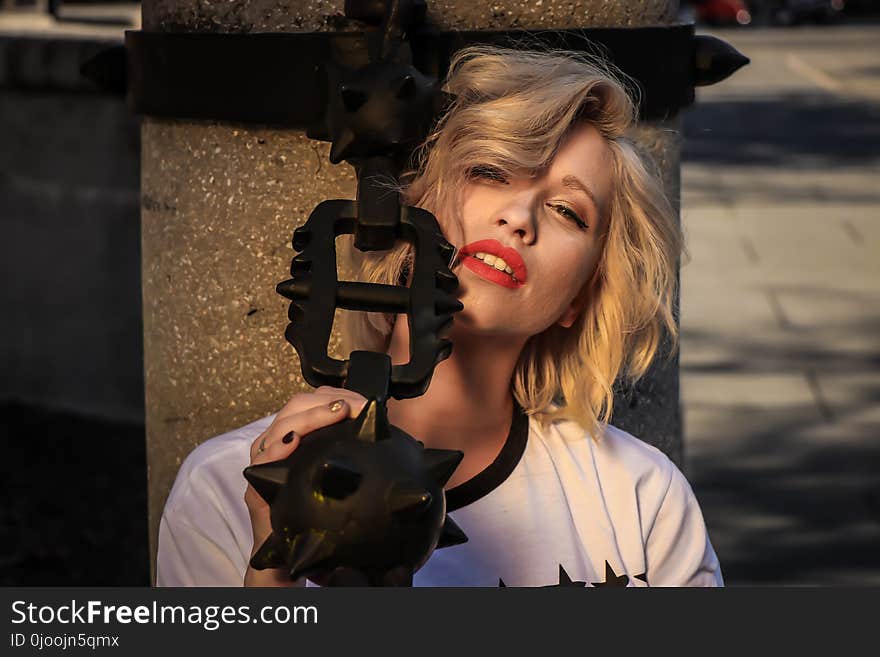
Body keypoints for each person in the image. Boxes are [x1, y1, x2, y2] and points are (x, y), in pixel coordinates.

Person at [156, 44, 723, 587]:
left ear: (581, 294)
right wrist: (274, 575)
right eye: (493, 172)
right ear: (417, 202)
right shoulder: (231, 488)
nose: (520, 217)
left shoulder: (641, 498)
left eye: (567, 211)